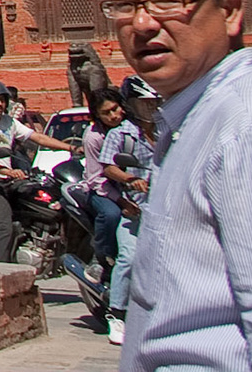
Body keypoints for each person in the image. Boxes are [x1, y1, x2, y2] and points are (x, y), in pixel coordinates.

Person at [108, 0, 252, 372]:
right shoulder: (189, 118)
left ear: (230, 12)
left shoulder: (249, 124)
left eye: (168, 2)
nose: (142, 24)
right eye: (125, 6)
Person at [0, 78, 77, 262]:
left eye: (2, 100)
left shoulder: (9, 122)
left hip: (7, 183)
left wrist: (70, 148)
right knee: (5, 226)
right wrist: (7, 171)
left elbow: (36, 137)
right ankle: (0, 275)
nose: (0, 104)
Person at [102, 76, 158, 348]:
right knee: (130, 258)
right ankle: (117, 314)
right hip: (134, 210)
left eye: (153, 102)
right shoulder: (121, 134)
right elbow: (109, 167)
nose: (151, 108)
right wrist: (129, 180)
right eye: (143, 103)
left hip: (164, 209)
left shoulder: (167, 131)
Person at [79, 87, 127, 271]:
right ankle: (103, 257)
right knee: (111, 214)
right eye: (106, 113)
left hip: (129, 186)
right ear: (98, 116)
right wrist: (120, 200)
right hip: (102, 189)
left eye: (115, 109)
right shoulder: (93, 138)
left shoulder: (130, 128)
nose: (114, 116)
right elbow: (96, 178)